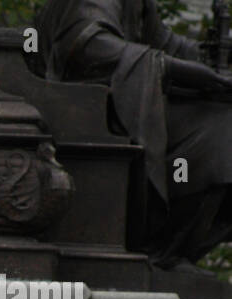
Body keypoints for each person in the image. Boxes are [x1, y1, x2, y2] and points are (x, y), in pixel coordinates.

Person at [36, 0, 232, 269]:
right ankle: (162, 248)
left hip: (120, 110)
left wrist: (214, 55)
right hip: (91, 117)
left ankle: (176, 248)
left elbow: (165, 44)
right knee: (221, 129)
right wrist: (173, 69)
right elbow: (86, 46)